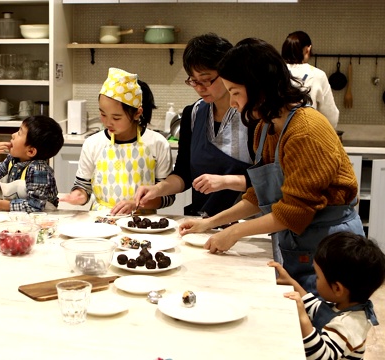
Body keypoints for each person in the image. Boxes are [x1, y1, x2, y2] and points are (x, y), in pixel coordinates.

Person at [179, 38, 363, 294]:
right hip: (299, 243)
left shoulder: (306, 130)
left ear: (258, 88)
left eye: (235, 93)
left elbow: (295, 211)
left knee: (330, 327)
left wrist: (235, 233)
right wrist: (209, 223)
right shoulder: (267, 128)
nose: (232, 103)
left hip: (333, 249)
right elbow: (258, 195)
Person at [135, 33, 255, 218]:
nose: (199, 88)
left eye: (206, 80)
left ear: (227, 72)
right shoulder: (193, 113)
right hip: (201, 221)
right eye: (193, 80)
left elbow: (269, 180)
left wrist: (225, 181)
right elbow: (184, 174)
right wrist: (158, 189)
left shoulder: (252, 117)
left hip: (245, 225)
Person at [59, 68, 173, 214]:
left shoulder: (157, 143)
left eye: (116, 118)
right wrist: (78, 195)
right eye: (103, 114)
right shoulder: (93, 143)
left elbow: (167, 196)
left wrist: (136, 204)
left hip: (142, 222)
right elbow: (83, 186)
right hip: (101, 219)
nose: (108, 122)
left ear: (137, 113)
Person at [269, 232, 385, 360]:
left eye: (318, 276)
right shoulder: (342, 306)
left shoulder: (348, 324)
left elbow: (322, 357)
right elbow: (316, 308)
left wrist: (303, 318)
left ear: (337, 288)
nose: (315, 280)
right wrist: (291, 282)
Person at [0, 115, 64, 212]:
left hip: (42, 220)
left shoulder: (39, 169)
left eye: (19, 133)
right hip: (19, 219)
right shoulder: (12, 160)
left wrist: (1, 204)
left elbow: (35, 206)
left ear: (31, 151)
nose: (13, 135)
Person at [282, 31, 339, 128]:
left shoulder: (275, 72)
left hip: (278, 135)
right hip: (306, 134)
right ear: (308, 49)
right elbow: (330, 116)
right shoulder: (317, 75)